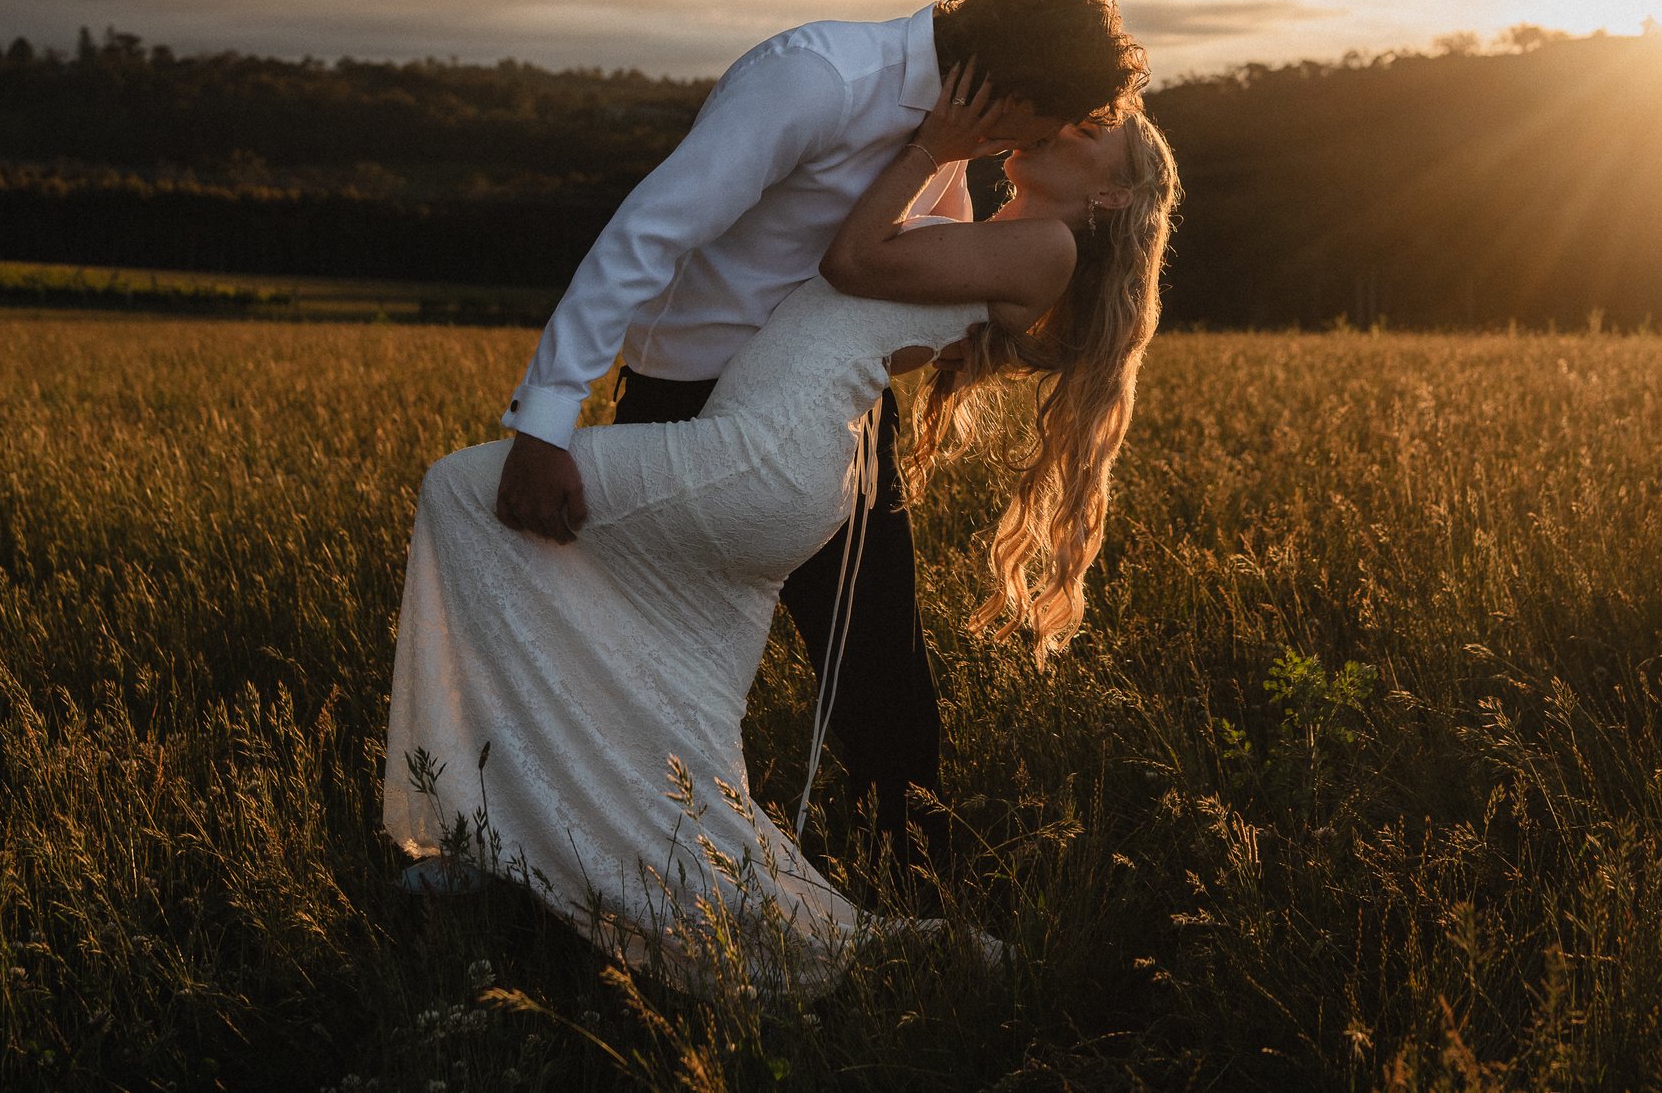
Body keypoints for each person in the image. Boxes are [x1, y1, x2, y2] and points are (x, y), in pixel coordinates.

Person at [381, 58, 1180, 989]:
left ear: (1117, 193)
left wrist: (933, 144)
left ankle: (465, 831)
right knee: (674, 707)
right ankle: (625, 883)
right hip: (772, 458)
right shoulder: (1007, 235)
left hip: (763, 457)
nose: (1065, 128)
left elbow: (852, 257)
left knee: (461, 493)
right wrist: (944, 156)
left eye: (1091, 134)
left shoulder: (1051, 249)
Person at [484, 0, 1144, 869]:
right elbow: (650, 231)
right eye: (1050, 119)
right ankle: (581, 856)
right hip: (691, 401)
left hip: (837, 422)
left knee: (882, 674)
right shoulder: (816, 79)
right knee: (629, 654)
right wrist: (545, 421)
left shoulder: (949, 144)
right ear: (1013, 94)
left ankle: (912, 883)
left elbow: (909, 264)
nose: (1037, 142)